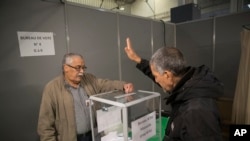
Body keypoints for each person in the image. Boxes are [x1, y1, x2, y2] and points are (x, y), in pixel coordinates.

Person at [124, 38, 224, 141]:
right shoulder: (187, 82)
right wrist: (138, 60)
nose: (156, 80)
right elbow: (159, 75)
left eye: (156, 76)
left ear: (167, 75)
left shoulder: (197, 112)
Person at [37, 53, 134, 141]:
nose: (82, 72)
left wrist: (123, 85)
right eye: (78, 68)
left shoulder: (89, 79)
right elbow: (45, 126)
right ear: (66, 68)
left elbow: (105, 84)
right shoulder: (52, 89)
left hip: (93, 136)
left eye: (83, 68)